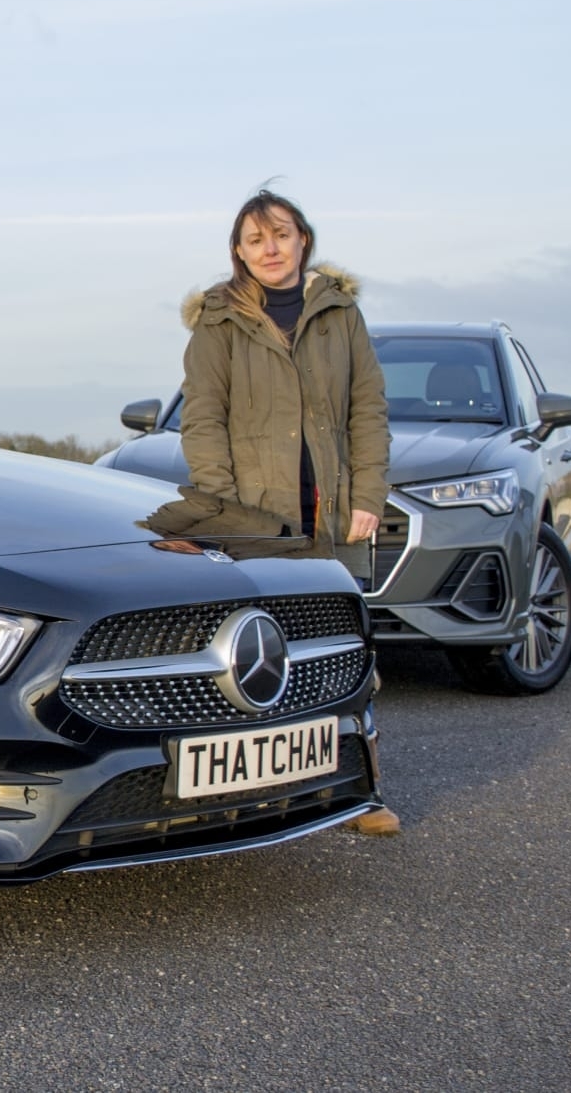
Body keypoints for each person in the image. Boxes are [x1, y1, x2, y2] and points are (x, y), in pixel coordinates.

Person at [178, 188, 401, 837]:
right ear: (238, 252)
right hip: (254, 524)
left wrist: (367, 496)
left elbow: (369, 408)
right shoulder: (217, 320)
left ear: (303, 238)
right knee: (257, 660)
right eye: (255, 240)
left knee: (343, 655)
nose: (269, 249)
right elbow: (203, 421)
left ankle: (363, 793)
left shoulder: (339, 311)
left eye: (280, 235)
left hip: (330, 515)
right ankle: (246, 797)